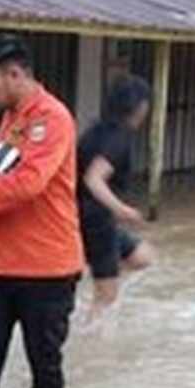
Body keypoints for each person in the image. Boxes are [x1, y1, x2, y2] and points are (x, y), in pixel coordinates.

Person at [0, 34, 84, 388]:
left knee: (45, 371)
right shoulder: (10, 119)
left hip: (47, 268)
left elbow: (29, 183)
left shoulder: (52, 118)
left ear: (14, 75)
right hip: (0, 264)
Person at [77, 74, 156, 325]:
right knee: (107, 299)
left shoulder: (96, 131)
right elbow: (94, 178)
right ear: (140, 107)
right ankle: (93, 344)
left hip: (87, 215)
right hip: (96, 220)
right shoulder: (119, 138)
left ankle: (100, 287)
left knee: (143, 257)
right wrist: (122, 209)